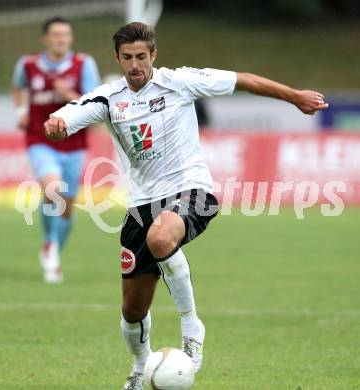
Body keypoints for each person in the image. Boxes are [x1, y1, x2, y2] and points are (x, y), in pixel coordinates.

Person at [43, 22, 328, 389]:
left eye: (142, 57)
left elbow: (241, 79)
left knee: (161, 239)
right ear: (117, 58)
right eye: (127, 58)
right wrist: (57, 123)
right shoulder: (109, 98)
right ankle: (141, 366)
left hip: (191, 192)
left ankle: (192, 327)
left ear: (154, 56)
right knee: (132, 311)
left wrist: (293, 96)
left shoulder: (180, 81)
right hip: (141, 205)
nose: (135, 65)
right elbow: (70, 115)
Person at [12, 17, 100, 283]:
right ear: (45, 39)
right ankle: (50, 242)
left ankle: (53, 256)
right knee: (53, 188)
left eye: (66, 34)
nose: (61, 39)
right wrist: (21, 110)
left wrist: (71, 94)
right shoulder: (28, 64)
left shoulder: (83, 64)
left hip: (73, 144)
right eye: (56, 34)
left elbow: (95, 104)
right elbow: (18, 86)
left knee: (66, 208)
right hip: (40, 139)